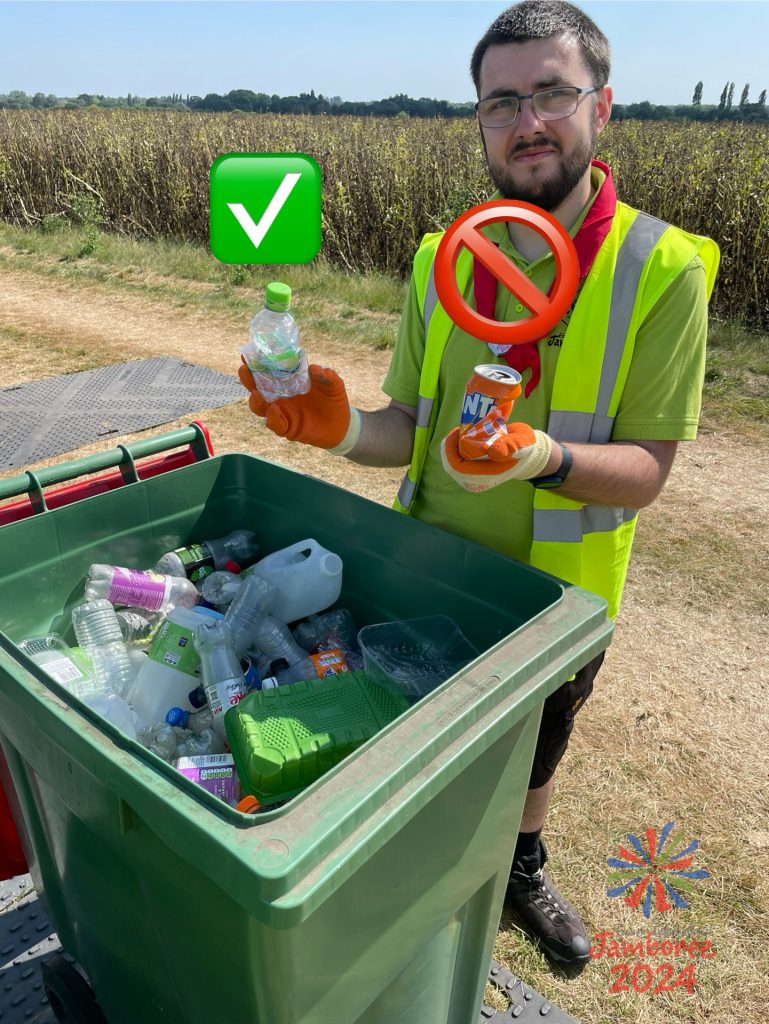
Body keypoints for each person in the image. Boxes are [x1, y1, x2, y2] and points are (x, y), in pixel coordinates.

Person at [239, 0, 719, 967]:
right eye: (502, 102)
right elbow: (406, 434)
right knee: (404, 734)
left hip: (558, 595)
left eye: (553, 92)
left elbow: (646, 475)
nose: (527, 120)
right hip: (424, 563)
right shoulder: (439, 260)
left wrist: (542, 456)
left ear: (603, 106)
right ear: (479, 123)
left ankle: (521, 864)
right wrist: (336, 430)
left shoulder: (658, 268)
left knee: (538, 737)